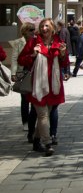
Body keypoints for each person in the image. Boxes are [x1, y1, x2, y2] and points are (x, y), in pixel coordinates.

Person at [17, 18, 70, 156]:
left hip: (54, 86)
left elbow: (64, 63)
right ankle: (47, 143)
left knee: (44, 116)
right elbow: (21, 59)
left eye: (46, 26)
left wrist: (63, 54)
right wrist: (33, 55)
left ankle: (36, 140)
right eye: (41, 26)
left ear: (52, 28)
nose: (44, 28)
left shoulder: (59, 43)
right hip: (38, 85)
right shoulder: (33, 42)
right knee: (42, 115)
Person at [9, 23, 36, 130]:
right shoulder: (18, 42)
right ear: (25, 31)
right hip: (23, 72)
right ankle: (25, 122)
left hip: (34, 71)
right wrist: (13, 73)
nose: (33, 31)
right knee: (24, 99)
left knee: (34, 97)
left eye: (34, 29)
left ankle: (33, 120)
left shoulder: (36, 41)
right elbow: (14, 59)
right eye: (31, 30)